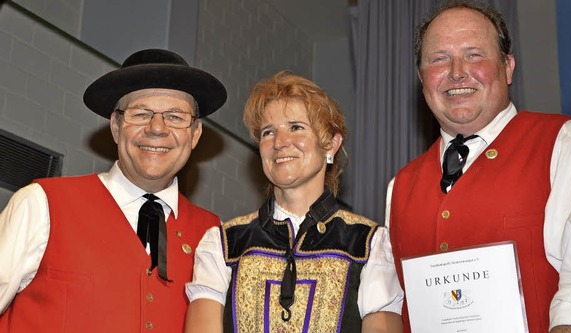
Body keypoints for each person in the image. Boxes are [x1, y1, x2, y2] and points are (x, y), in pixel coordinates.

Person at [386, 1, 571, 332]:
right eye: (439, 59)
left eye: (474, 54)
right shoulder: (399, 187)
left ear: (507, 67)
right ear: (422, 79)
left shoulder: (568, 146)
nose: (457, 71)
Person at [0, 48, 227, 332]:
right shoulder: (41, 204)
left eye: (175, 117)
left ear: (195, 134)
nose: (157, 128)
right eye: (141, 114)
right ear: (116, 126)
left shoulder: (214, 236)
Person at [184, 71, 404, 332]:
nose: (280, 142)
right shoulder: (222, 245)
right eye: (268, 132)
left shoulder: (370, 244)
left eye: (296, 127)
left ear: (331, 144)